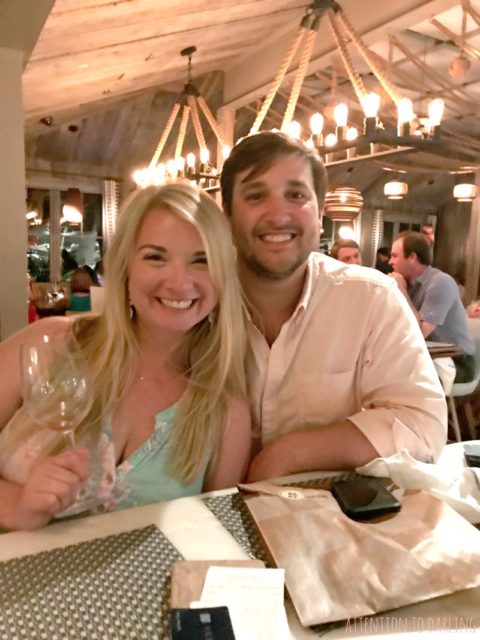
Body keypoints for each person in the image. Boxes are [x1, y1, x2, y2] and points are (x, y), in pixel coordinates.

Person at [0, 182, 251, 530]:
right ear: (124, 267)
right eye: (155, 257)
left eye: (202, 260)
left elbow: (216, 536)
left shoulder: (225, 409)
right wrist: (16, 505)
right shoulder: (49, 344)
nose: (179, 282)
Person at [220, 130, 446, 482]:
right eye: (255, 195)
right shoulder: (196, 302)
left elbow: (423, 424)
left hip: (327, 505)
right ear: (227, 215)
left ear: (320, 213)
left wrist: (287, 454)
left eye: (296, 195)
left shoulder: (370, 298)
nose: (278, 213)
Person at [389, 231, 475, 383]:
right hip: (429, 356)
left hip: (458, 361)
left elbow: (419, 333)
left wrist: (401, 291)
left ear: (412, 257)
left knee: (399, 377)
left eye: (395, 256)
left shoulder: (440, 282)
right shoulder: (408, 284)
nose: (390, 262)